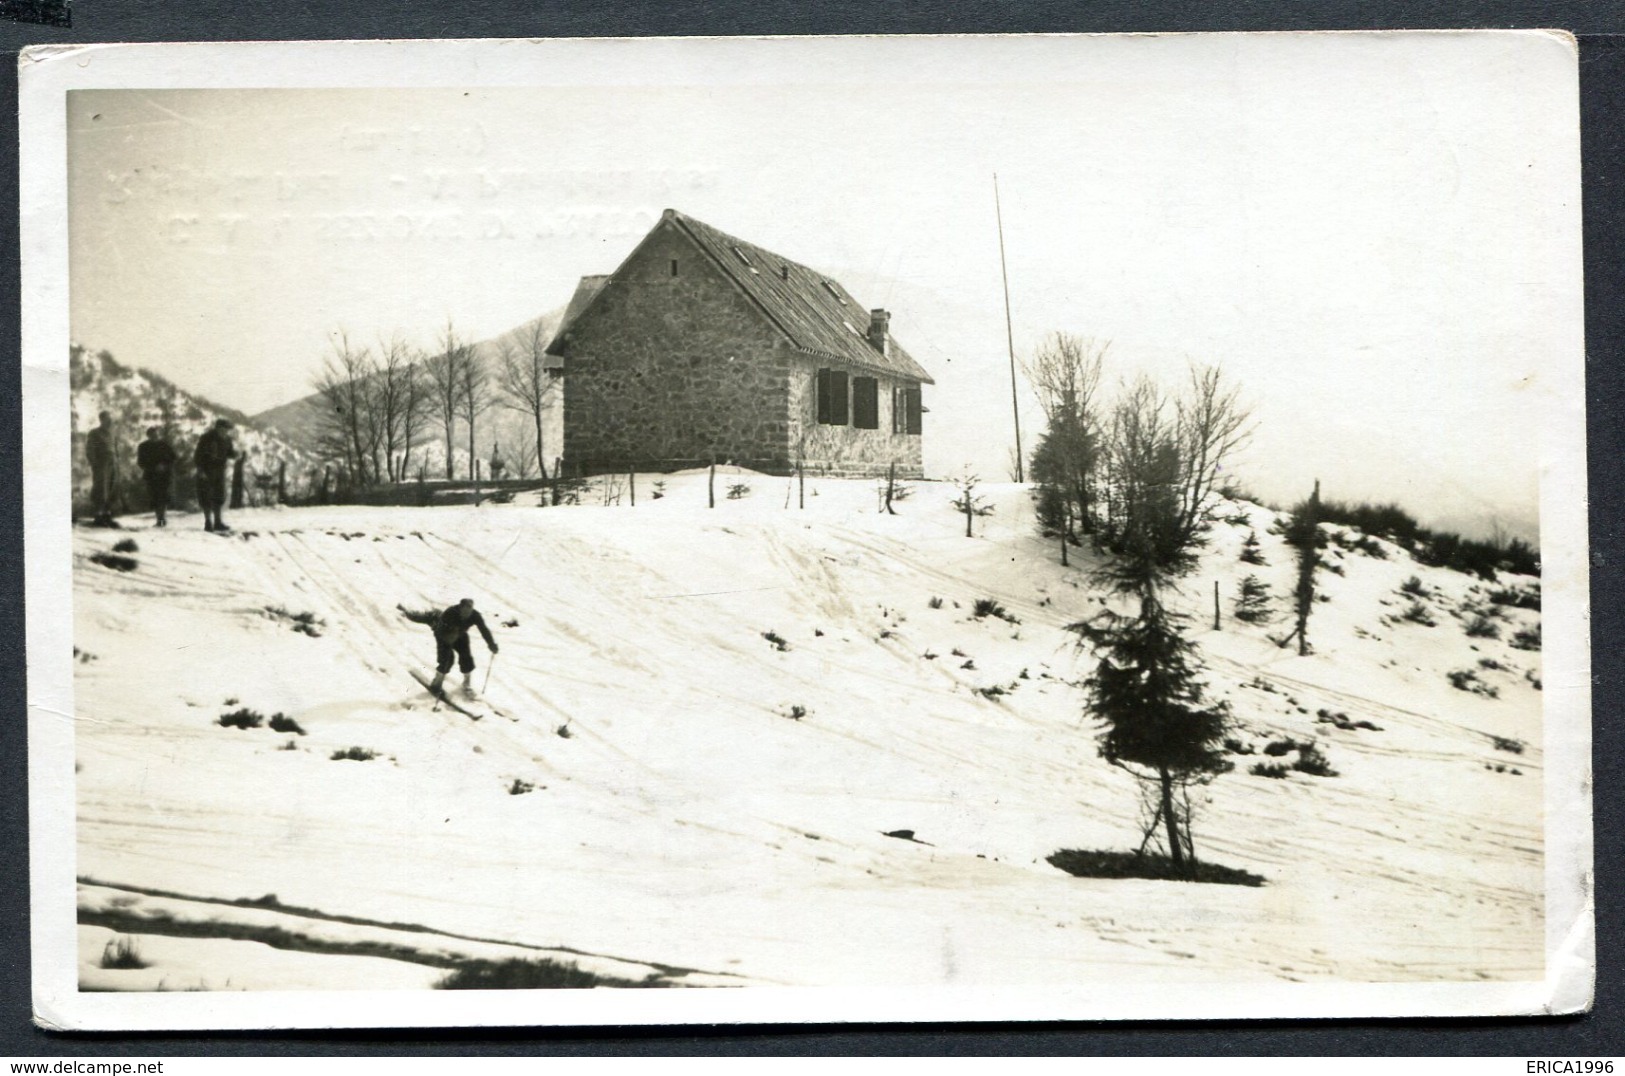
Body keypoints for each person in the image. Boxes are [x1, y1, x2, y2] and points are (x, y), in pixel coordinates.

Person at [400, 598, 499, 699]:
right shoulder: (450, 613)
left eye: (470, 610)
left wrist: (491, 644)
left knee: (466, 657)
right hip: (444, 635)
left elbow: (483, 629)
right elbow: (440, 629)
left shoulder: (475, 615)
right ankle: (436, 684)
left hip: (460, 635)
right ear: (460, 607)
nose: (467, 613)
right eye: (465, 610)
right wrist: (449, 638)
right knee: (447, 660)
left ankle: (466, 684)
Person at [193, 418, 238, 532]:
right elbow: (198, 456)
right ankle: (208, 522)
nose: (226, 431)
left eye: (227, 429)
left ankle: (218, 522)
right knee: (206, 496)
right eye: (224, 428)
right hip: (207, 470)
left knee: (219, 496)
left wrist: (235, 454)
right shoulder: (206, 438)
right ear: (218, 427)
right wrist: (201, 470)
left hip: (220, 471)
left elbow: (229, 453)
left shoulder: (227, 439)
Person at [136, 426, 177, 527]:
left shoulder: (164, 445)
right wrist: (152, 467)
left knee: (164, 496)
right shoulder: (143, 446)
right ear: (148, 436)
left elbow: (173, 457)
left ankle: (162, 518)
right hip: (151, 475)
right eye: (152, 435)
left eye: (156, 434)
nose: (154, 436)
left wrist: (164, 465)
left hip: (164, 475)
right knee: (154, 497)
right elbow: (141, 462)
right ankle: (159, 519)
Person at [84, 410, 117, 526]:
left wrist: (116, 462)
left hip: (112, 463)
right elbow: (90, 449)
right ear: (102, 419)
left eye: (110, 419)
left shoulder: (111, 433)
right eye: (107, 419)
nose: (110, 421)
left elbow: (115, 449)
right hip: (101, 464)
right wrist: (94, 464)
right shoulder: (94, 433)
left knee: (111, 488)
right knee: (101, 489)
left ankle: (107, 515)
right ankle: (98, 516)